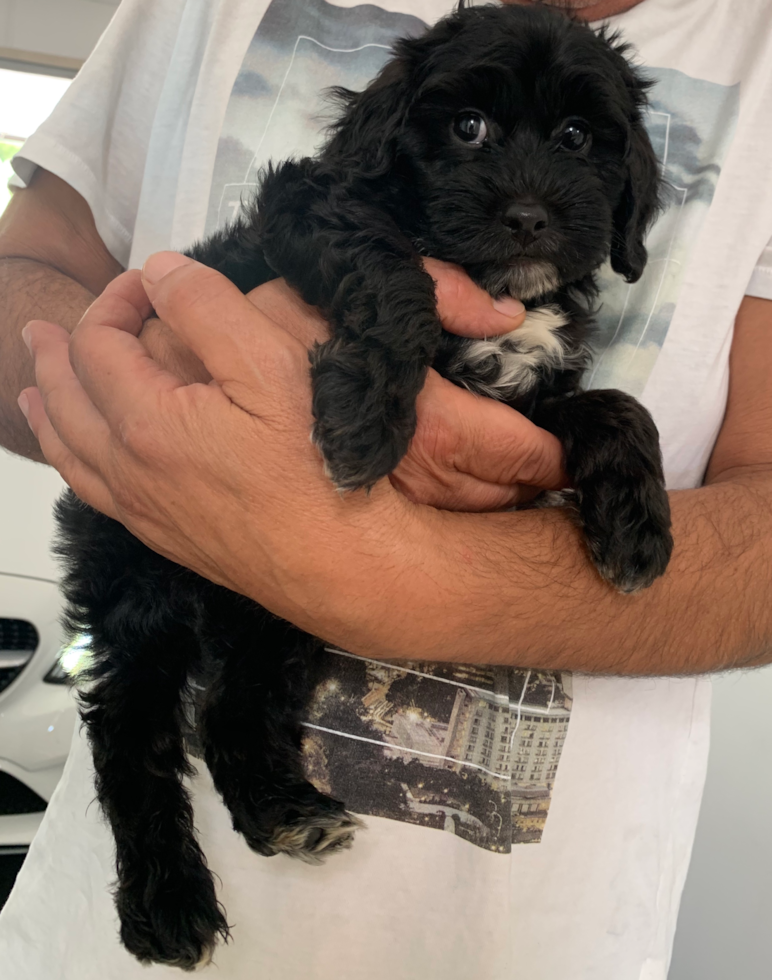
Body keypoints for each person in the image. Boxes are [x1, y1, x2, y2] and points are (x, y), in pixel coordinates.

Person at [1, 0, 772, 977]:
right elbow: (271, 211)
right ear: (397, 142)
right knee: (144, 670)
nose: (527, 195)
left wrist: (388, 566)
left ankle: (254, 778)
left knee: (263, 661)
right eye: (469, 128)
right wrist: (166, 378)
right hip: (85, 919)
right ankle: (154, 865)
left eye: (576, 140)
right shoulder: (330, 196)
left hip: (534, 945)